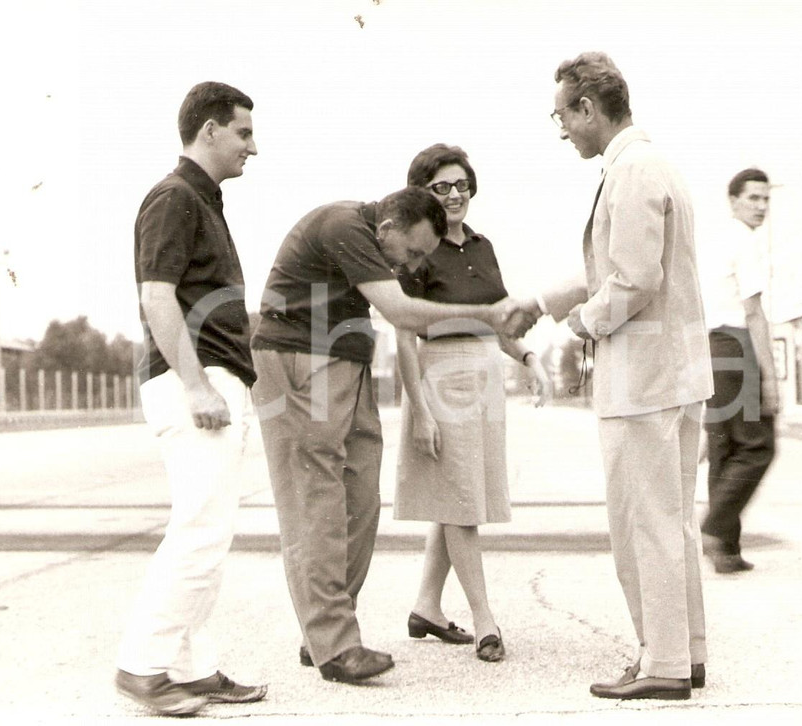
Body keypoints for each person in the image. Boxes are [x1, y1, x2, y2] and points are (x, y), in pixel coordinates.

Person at [503, 52, 713, 700]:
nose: (561, 128)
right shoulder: (650, 165)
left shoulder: (630, 170)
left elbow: (633, 281)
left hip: (644, 380)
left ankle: (663, 666)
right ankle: (686, 653)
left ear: (588, 108)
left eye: (562, 114)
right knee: (671, 523)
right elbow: (615, 270)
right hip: (674, 376)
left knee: (640, 524)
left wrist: (574, 327)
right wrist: (540, 302)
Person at [251, 187, 511, 684]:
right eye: (412, 253)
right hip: (299, 362)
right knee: (318, 502)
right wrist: (487, 316)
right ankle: (335, 644)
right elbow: (403, 312)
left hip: (345, 363)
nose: (413, 264)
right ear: (388, 229)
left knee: (360, 500)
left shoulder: (375, 236)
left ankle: (323, 633)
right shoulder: (344, 225)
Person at [116, 81, 267, 717]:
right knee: (200, 531)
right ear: (209, 130)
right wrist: (199, 385)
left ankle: (191, 666)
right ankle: (142, 667)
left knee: (207, 529)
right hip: (193, 380)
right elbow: (157, 297)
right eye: (243, 133)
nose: (252, 148)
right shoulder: (174, 198)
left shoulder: (201, 200)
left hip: (211, 377)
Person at [393, 144, 551, 664]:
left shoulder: (483, 247)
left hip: (483, 379)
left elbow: (499, 321)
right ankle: (485, 619)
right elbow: (403, 332)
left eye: (461, 184)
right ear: (423, 194)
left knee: (457, 496)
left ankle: (426, 606)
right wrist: (418, 408)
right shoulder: (419, 248)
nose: (455, 194)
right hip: (440, 378)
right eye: (441, 187)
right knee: (461, 500)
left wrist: (529, 356)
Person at [698, 168, 780, 573]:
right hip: (737, 345)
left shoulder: (717, 242)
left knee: (724, 449)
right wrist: (772, 378)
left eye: (766, 199)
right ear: (733, 201)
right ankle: (714, 528)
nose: (762, 206)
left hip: (712, 349)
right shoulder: (747, 243)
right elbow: (754, 312)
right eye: (753, 198)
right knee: (758, 446)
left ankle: (725, 550)